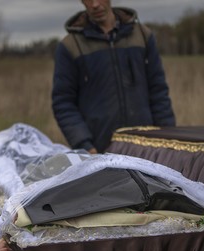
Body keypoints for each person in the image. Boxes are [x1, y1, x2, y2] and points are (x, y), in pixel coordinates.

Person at [51, 0, 175, 154]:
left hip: (147, 148)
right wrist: (85, 146)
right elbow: (63, 103)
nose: (95, 4)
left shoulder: (142, 35)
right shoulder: (70, 46)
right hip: (101, 153)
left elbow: (159, 91)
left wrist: (168, 138)